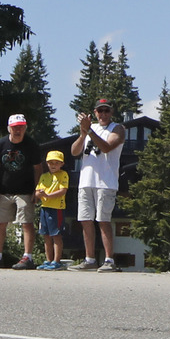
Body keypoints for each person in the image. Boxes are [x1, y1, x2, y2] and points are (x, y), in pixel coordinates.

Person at [69, 99, 126, 272]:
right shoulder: (89, 129)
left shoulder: (117, 128)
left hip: (106, 182)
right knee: (85, 220)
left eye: (106, 111)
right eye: (100, 111)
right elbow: (74, 151)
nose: (103, 114)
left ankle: (109, 260)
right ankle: (90, 258)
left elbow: (107, 147)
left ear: (111, 112)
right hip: (86, 181)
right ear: (95, 112)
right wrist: (82, 133)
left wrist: (90, 130)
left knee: (103, 220)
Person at [0, 114, 42, 269]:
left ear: (25, 127)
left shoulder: (31, 144)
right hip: (5, 190)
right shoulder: (1, 144)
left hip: (25, 191)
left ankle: (27, 257)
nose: (18, 130)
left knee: (26, 223)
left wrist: (36, 189)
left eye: (21, 127)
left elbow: (38, 168)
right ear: (9, 128)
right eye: (15, 127)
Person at [35, 150, 69, 270]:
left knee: (56, 235)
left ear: (62, 164)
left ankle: (56, 261)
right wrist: (39, 194)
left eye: (56, 162)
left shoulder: (63, 174)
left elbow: (63, 190)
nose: (53, 165)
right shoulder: (44, 176)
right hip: (45, 208)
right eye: (50, 162)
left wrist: (48, 195)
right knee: (46, 235)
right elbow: (37, 192)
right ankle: (48, 260)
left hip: (57, 208)